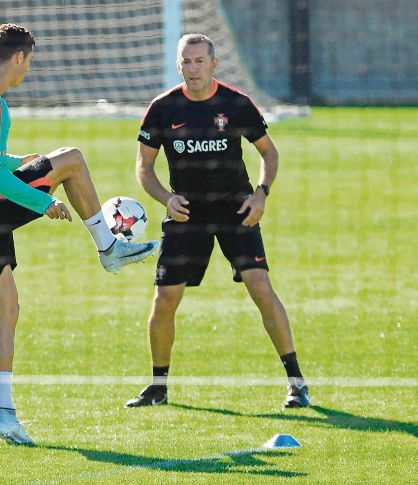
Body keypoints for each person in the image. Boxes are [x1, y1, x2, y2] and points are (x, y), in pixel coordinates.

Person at [0, 23, 159, 445]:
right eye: (29, 62)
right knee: (71, 160)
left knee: (7, 311)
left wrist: (15, 159)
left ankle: (5, 414)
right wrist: (45, 203)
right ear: (18, 57)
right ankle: (108, 247)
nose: (28, 71)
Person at [124, 34, 310, 409]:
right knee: (164, 300)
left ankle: (296, 382)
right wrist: (166, 198)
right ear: (179, 66)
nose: (193, 68)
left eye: (199, 61)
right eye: (186, 62)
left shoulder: (236, 104)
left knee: (260, 288)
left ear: (213, 64)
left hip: (234, 212)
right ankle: (158, 386)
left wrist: (261, 194)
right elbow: (143, 166)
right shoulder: (163, 109)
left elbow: (269, 154)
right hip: (186, 214)